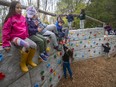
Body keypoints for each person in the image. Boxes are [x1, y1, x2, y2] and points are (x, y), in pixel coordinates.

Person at [2, 1, 37, 73]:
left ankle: (29, 60)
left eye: (21, 8)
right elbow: (5, 31)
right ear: (12, 8)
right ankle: (23, 63)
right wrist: (6, 43)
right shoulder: (10, 18)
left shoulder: (23, 18)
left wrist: (26, 35)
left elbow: (26, 28)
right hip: (14, 38)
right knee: (26, 45)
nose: (20, 9)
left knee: (34, 45)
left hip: (23, 37)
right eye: (17, 8)